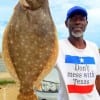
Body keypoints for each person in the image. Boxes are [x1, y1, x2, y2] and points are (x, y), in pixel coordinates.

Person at [56, 6, 100, 100]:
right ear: (66, 23)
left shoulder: (94, 47)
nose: (77, 22)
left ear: (86, 23)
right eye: (73, 19)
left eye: (81, 19)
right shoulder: (57, 47)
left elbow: (97, 78)